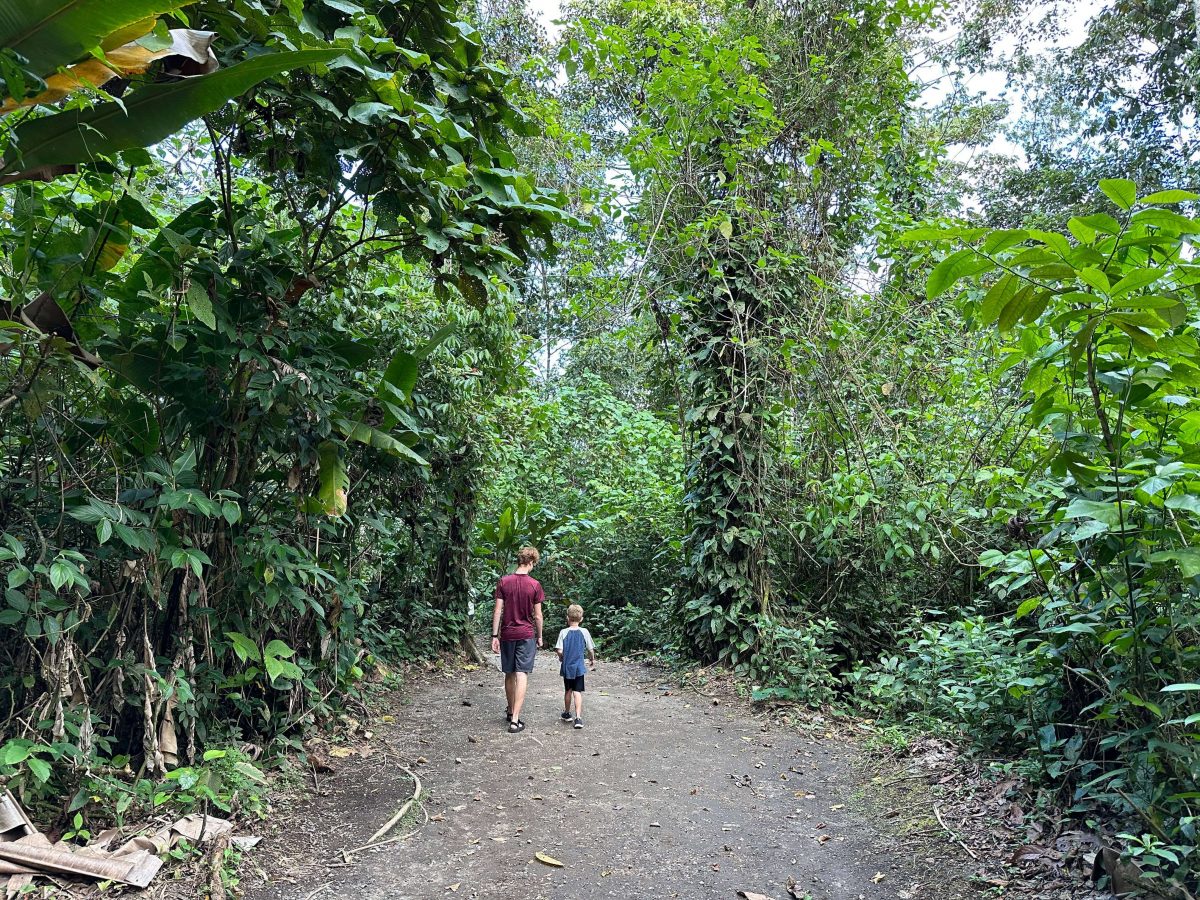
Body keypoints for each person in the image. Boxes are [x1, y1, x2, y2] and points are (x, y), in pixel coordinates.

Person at [491, 546, 544, 734]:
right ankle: (515, 719)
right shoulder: (534, 585)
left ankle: (510, 710)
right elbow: (537, 616)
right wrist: (540, 636)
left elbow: (498, 610)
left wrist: (494, 635)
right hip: (526, 634)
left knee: (509, 673)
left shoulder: (504, 582)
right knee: (522, 674)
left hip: (507, 634)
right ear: (531, 562)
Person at [554, 603, 596, 730]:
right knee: (577, 692)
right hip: (579, 667)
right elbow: (590, 649)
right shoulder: (584, 632)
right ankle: (578, 718)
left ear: (567, 618)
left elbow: (559, 650)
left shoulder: (563, 632)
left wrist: (562, 657)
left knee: (568, 690)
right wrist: (592, 659)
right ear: (581, 618)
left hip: (567, 667)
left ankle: (567, 713)